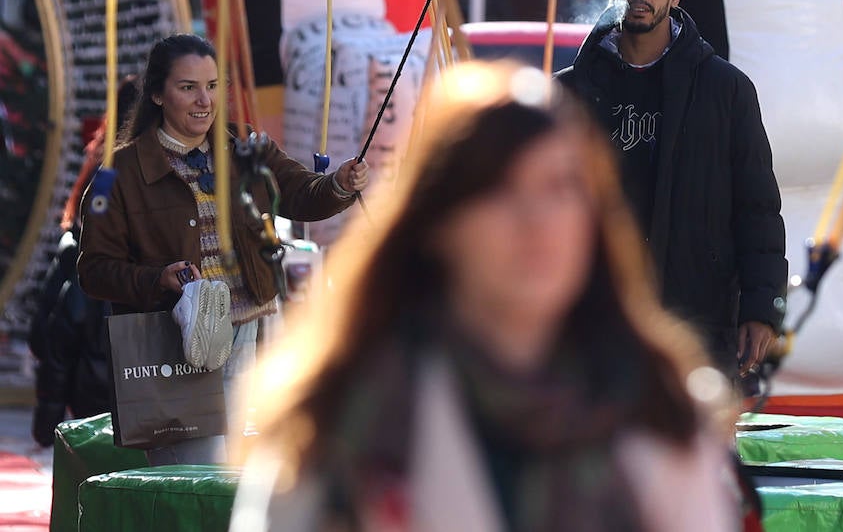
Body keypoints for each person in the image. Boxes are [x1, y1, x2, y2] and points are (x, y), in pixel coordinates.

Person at [229, 62, 740, 532]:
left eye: (561, 187)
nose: (537, 220)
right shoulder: (340, 416)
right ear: (437, 222)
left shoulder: (658, 407)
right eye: (500, 191)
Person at [77, 32, 369, 466]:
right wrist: (155, 279)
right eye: (188, 87)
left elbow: (301, 192)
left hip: (250, 335)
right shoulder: (119, 172)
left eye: (212, 86)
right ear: (157, 94)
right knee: (190, 475)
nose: (203, 101)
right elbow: (94, 270)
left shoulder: (246, 147)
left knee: (238, 473)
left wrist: (339, 184)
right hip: (175, 344)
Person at [556, 0, 787, 381]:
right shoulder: (570, 93)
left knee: (695, 448)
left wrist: (762, 308)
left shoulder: (727, 90)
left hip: (698, 320)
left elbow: (757, 207)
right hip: (593, 324)